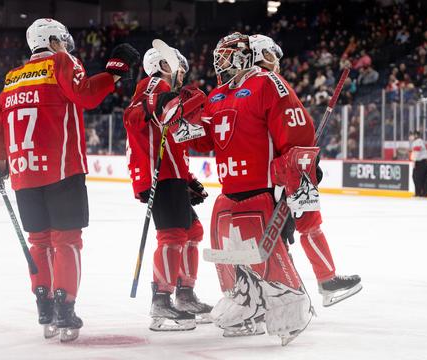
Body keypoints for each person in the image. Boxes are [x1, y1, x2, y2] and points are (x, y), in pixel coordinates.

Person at [0, 18, 140, 342]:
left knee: (40, 242)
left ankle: (44, 305)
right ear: (54, 40)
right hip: (61, 169)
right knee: (67, 240)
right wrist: (113, 74)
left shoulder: (12, 79)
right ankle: (65, 307)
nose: (67, 46)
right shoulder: (61, 61)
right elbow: (84, 95)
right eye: (63, 41)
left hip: (25, 174)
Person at [187, 32, 315, 344]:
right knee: (226, 246)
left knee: (265, 250)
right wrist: (182, 117)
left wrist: (299, 176)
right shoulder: (218, 94)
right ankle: (244, 297)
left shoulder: (267, 83)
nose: (219, 61)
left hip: (262, 189)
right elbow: (206, 137)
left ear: (244, 55)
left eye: (225, 54)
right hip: (230, 189)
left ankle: (288, 301)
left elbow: (298, 129)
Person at [248, 34, 362, 306]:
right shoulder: (270, 83)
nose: (277, 62)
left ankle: (275, 289)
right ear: (264, 55)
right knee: (306, 224)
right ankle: (318, 282)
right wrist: (306, 160)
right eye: (273, 56)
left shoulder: (248, 85)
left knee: (280, 232)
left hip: (270, 171)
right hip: (287, 170)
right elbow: (291, 127)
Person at [123, 44, 212, 331]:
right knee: (172, 236)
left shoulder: (165, 90)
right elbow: (147, 113)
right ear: (161, 64)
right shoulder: (153, 83)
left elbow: (172, 136)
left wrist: (186, 179)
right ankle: (161, 300)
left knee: (193, 232)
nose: (182, 73)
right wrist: (172, 102)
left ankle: (184, 294)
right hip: (158, 176)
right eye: (179, 67)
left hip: (171, 176)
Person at [409, 130, 427, 197]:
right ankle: (424, 193)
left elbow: (416, 151)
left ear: (415, 135)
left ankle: (418, 193)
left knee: (416, 177)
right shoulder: (421, 141)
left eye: (411, 135)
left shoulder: (417, 142)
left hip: (420, 162)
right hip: (424, 162)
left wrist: (414, 161)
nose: (410, 137)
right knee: (423, 178)